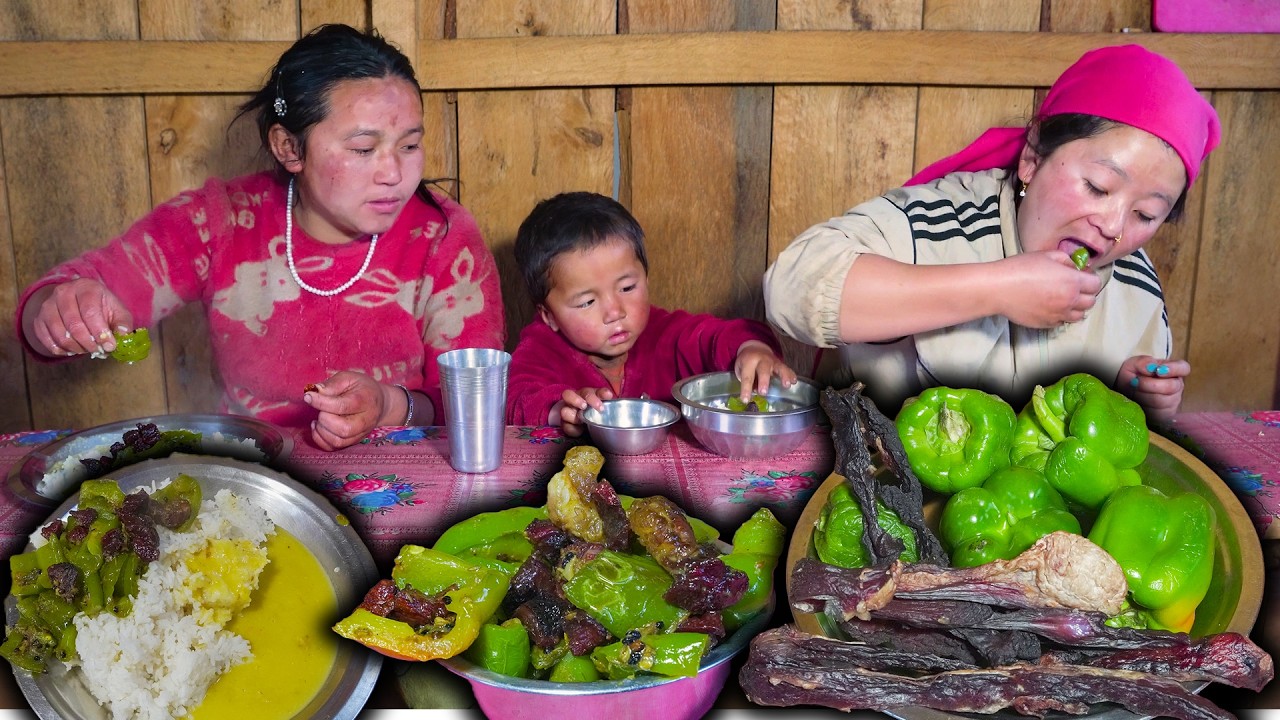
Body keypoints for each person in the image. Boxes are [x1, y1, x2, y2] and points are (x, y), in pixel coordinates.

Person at [15, 24, 505, 450]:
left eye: (410, 145)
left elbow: (474, 403)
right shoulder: (221, 221)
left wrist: (389, 407)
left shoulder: (443, 238)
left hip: (402, 475)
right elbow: (76, 292)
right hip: (250, 473)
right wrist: (63, 310)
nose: (395, 174)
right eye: (362, 148)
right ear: (289, 146)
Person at [764, 44, 1219, 423]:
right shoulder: (940, 223)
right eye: (1097, 187)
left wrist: (1134, 401)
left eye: (1146, 214)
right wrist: (999, 288)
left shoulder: (1136, 285)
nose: (1114, 227)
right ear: (1033, 158)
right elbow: (791, 288)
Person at [506, 191, 796, 436]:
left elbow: (718, 336)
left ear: (646, 276)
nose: (615, 312)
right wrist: (559, 408)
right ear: (549, 316)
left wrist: (753, 347)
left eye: (627, 287)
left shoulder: (664, 334)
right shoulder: (541, 348)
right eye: (587, 302)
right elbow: (515, 397)